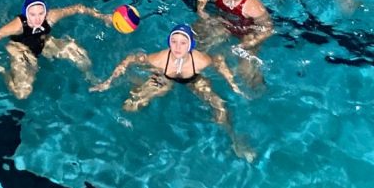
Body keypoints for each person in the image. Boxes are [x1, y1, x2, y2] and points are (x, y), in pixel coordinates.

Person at [91, 24, 254, 160]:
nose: (177, 47)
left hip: (194, 79)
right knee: (130, 106)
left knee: (221, 109)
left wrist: (233, 84)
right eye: (174, 42)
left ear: (190, 45)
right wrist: (108, 82)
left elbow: (218, 61)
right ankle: (126, 141)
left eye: (183, 43)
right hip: (164, 77)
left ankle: (236, 140)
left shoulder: (200, 60)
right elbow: (131, 59)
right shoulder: (160, 59)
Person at [196, 0, 273, 86]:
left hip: (247, 32)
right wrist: (201, 9)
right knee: (199, 40)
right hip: (224, 24)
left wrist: (248, 44)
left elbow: (268, 29)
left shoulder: (253, 7)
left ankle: (258, 88)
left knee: (246, 71)